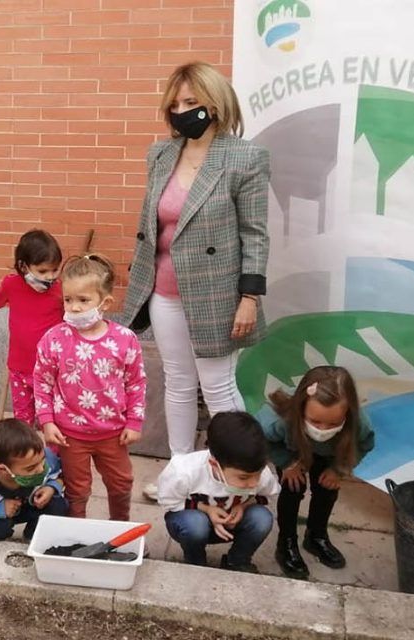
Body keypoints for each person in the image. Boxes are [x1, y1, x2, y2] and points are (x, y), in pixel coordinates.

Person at [121, 62, 270, 498]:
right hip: (163, 290)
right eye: (175, 103)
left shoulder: (244, 157)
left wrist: (250, 297)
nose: (180, 110)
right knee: (178, 383)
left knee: (219, 388)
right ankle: (180, 472)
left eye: (191, 102)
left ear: (215, 104)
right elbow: (157, 225)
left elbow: (255, 234)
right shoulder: (161, 154)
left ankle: (237, 477)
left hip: (217, 295)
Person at [33, 255, 146, 521]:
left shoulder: (124, 340)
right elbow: (41, 381)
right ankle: (77, 531)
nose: (73, 307)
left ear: (104, 302)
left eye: (83, 300)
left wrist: (134, 421)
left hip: (114, 434)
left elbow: (136, 382)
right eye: (68, 299)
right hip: (70, 435)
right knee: (77, 488)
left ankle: (120, 528)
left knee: (121, 484)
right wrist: (47, 422)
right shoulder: (54, 339)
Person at [261, 366, 374, 579]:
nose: (322, 429)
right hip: (293, 451)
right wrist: (287, 464)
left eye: (333, 423)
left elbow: (364, 444)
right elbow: (264, 439)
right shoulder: (279, 419)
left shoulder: (359, 425)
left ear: (348, 413)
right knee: (293, 488)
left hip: (331, 454)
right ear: (301, 406)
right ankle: (286, 542)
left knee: (327, 489)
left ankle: (316, 536)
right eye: (315, 421)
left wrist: (338, 470)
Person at [157, 412, 279, 573]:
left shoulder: (256, 470)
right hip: (194, 524)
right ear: (215, 465)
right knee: (195, 525)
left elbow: (268, 494)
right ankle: (195, 563)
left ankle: (237, 561)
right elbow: (169, 501)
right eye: (244, 477)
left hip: (232, 523)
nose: (254, 483)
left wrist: (244, 506)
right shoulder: (183, 471)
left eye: (258, 474)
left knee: (262, 518)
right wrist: (207, 509)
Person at [0, 229, 64, 426]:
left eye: (54, 270)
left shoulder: (61, 290)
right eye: (42, 271)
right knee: (23, 418)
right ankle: (26, 455)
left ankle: (53, 456)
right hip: (19, 367)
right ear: (23, 266)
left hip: (52, 369)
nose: (49, 277)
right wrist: (2, 290)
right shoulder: (11, 284)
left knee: (53, 421)